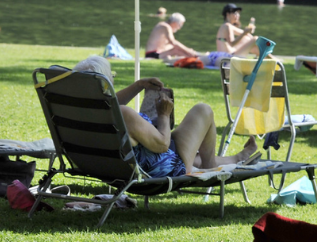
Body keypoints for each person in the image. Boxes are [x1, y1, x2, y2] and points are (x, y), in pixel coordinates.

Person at [73, 56, 257, 177]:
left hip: (118, 165)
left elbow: (108, 101)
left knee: (195, 153)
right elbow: (162, 145)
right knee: (203, 110)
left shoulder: (81, 111)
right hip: (165, 166)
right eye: (111, 77)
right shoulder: (123, 114)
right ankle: (210, 168)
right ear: (105, 84)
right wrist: (163, 115)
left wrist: (139, 85)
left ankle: (237, 158)